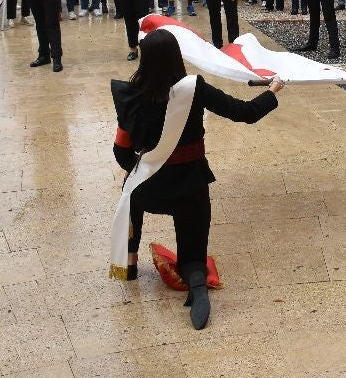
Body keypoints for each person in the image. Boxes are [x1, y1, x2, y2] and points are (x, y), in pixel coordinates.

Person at [109, 28, 284, 328]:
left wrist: (139, 168)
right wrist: (273, 91)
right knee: (192, 255)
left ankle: (130, 261)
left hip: (149, 190)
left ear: (145, 59)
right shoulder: (194, 88)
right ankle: (197, 282)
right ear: (176, 57)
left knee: (130, 188)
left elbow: (121, 151)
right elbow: (245, 113)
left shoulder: (130, 95)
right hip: (190, 186)